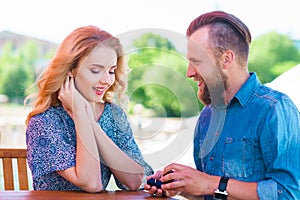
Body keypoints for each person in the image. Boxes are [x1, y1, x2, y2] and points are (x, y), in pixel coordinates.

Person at [144, 10, 300, 200]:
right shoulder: (207, 116)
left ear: (226, 59)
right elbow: (213, 194)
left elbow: (290, 193)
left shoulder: (275, 109)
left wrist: (209, 183)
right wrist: (182, 186)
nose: (189, 73)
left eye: (197, 62)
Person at [25, 25, 153, 192]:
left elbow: (135, 180)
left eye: (112, 71)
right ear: (71, 69)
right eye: (96, 70)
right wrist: (80, 113)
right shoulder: (44, 122)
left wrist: (91, 122)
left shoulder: (113, 115)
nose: (107, 80)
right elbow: (91, 183)